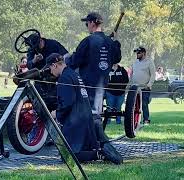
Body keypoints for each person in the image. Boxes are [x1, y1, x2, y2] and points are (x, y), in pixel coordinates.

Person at [46, 53, 122, 164]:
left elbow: (67, 102)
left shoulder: (64, 78)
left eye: (50, 68)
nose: (50, 72)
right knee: (77, 152)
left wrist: (56, 113)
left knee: (67, 157)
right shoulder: (73, 74)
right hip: (85, 118)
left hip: (76, 122)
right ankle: (100, 152)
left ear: (54, 65)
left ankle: (99, 154)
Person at [66, 12, 121, 145]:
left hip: (86, 83)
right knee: (95, 111)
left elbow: (75, 62)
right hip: (102, 83)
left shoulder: (87, 41)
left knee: (88, 113)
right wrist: (116, 43)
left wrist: (66, 59)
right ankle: (96, 140)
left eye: (87, 24)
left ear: (92, 23)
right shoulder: (110, 42)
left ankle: (93, 142)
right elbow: (117, 58)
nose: (87, 26)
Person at [130, 46, 156, 124]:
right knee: (134, 105)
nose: (137, 54)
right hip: (135, 88)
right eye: (137, 53)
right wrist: (131, 83)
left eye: (139, 53)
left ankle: (146, 120)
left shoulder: (149, 62)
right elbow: (132, 74)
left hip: (145, 88)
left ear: (144, 53)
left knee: (144, 104)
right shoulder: (135, 63)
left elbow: (153, 75)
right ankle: (134, 120)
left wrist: (149, 84)